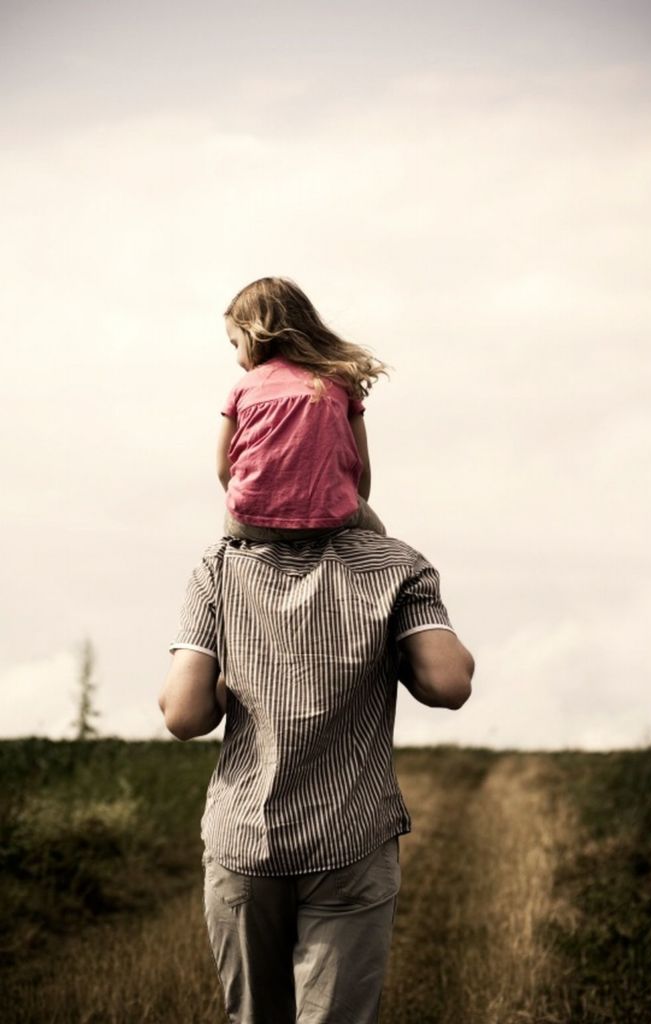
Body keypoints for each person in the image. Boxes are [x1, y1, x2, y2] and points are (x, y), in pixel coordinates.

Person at [159, 529, 474, 1024]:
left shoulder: (220, 565)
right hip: (350, 837)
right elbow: (449, 683)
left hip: (245, 839)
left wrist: (234, 679)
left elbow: (183, 715)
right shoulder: (396, 564)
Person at [217, 277, 388, 541]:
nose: (237, 358)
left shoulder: (243, 388)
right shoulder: (339, 382)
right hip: (329, 519)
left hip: (250, 520)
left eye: (236, 344)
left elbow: (222, 468)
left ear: (255, 334)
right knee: (379, 534)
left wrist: (255, 505)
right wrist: (343, 510)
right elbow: (362, 468)